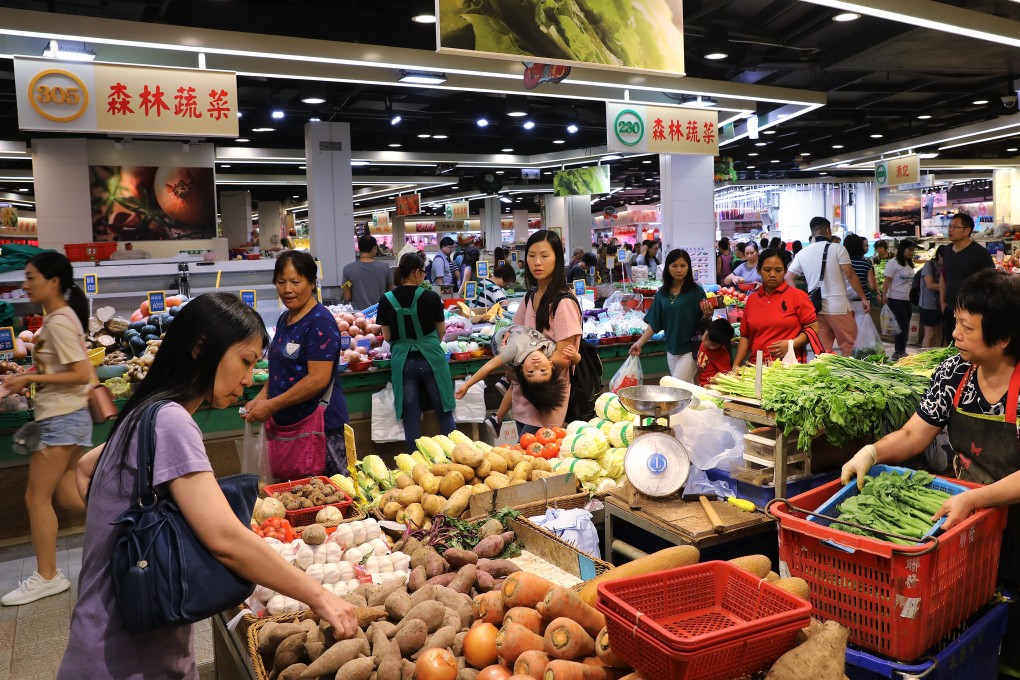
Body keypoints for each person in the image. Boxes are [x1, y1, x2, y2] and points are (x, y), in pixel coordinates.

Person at [59, 293, 357, 678]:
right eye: (245, 362)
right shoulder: (171, 421)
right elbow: (224, 539)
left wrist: (128, 538)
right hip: (128, 660)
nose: (250, 379)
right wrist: (320, 597)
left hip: (100, 641)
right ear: (202, 348)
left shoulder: (144, 413)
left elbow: (84, 469)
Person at [839, 269, 1020, 670]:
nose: (954, 334)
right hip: (965, 523)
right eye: (956, 322)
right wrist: (871, 452)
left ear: (1003, 338)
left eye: (966, 327)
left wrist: (976, 498)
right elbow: (913, 434)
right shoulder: (955, 373)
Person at [0, 252, 90, 606]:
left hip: (62, 419)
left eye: (31, 276)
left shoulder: (60, 322)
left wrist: (29, 376)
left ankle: (48, 576)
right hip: (67, 415)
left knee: (35, 497)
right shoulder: (60, 318)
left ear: (53, 282)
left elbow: (81, 373)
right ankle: (130, 522)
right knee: (69, 496)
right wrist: (26, 379)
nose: (25, 284)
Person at [244, 251, 350, 477]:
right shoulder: (285, 318)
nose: (287, 289)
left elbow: (317, 380)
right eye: (281, 282)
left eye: (295, 282)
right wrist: (261, 399)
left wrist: (272, 406)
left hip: (321, 428)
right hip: (289, 428)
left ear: (312, 283)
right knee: (295, 498)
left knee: (330, 499)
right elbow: (280, 370)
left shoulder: (319, 321)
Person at [378, 253, 456, 452]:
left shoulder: (386, 300)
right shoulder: (430, 297)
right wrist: (427, 343)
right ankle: (456, 455)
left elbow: (387, 336)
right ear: (415, 273)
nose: (424, 276)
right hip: (432, 359)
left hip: (403, 362)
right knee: (444, 409)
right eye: (422, 272)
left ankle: (415, 458)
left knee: (410, 413)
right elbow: (442, 330)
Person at [511, 230, 582, 435]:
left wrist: (526, 360)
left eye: (544, 255)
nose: (537, 262)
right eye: (532, 256)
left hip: (548, 399)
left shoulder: (563, 302)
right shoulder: (530, 297)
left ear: (557, 259)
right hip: (523, 396)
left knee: (539, 460)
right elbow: (515, 335)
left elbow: (564, 356)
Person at [787, 217, 870, 356]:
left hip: (816, 309)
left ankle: (826, 376)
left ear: (812, 231)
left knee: (823, 351)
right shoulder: (838, 249)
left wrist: (800, 297)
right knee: (849, 346)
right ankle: (848, 376)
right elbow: (850, 274)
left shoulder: (802, 253)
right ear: (827, 230)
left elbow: (787, 277)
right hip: (839, 308)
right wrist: (863, 298)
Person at [454, 324, 578, 416]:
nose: (536, 367)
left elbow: (490, 366)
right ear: (551, 364)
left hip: (498, 340)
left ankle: (507, 378)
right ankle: (506, 380)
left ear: (522, 369)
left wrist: (467, 385)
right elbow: (572, 362)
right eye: (543, 371)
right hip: (515, 331)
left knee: (508, 361)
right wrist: (575, 357)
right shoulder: (550, 350)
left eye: (531, 373)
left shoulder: (515, 350)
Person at [630, 249, 712, 382]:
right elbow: (655, 322)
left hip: (690, 349)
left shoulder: (697, 292)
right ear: (667, 268)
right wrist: (639, 343)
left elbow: (705, 322)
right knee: (685, 392)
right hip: (671, 349)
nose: (679, 270)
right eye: (674, 266)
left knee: (674, 388)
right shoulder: (662, 293)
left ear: (688, 268)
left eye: (683, 266)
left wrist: (708, 315)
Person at [734, 248, 820, 366]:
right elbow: (745, 336)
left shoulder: (798, 297)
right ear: (758, 271)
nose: (773, 274)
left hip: (789, 367)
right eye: (767, 270)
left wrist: (791, 344)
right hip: (756, 367)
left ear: (785, 271)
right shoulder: (752, 300)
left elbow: (813, 329)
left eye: (778, 270)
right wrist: (736, 364)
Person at [940, 212, 994, 342]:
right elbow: (944, 276)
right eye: (949, 226)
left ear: (967, 230)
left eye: (954, 227)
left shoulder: (980, 253)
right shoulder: (947, 250)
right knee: (951, 345)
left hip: (971, 310)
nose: (950, 230)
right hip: (951, 308)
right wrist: (943, 301)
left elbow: (992, 280)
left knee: (968, 345)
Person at [882, 239, 918, 361]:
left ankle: (902, 350)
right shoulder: (893, 263)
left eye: (913, 250)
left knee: (905, 325)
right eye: (909, 250)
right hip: (894, 298)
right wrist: (884, 295)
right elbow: (887, 281)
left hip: (906, 299)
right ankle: (898, 351)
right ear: (903, 249)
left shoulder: (908, 264)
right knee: (902, 324)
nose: (911, 252)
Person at [341, 235, 393, 310]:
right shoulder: (384, 267)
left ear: (359, 248)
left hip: (359, 316)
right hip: (380, 314)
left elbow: (347, 296)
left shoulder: (348, 269)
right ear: (374, 248)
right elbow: (390, 294)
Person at [844, 234, 879, 317]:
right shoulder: (866, 263)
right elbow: (872, 286)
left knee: (848, 328)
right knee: (862, 327)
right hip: (863, 301)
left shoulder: (843, 264)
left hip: (845, 300)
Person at [919, 246, 945, 348]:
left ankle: (938, 358)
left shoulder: (946, 267)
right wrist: (946, 289)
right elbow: (929, 285)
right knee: (930, 333)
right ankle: (925, 358)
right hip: (928, 305)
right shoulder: (929, 265)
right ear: (939, 256)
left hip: (940, 304)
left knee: (940, 332)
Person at [697, 318, 734, 386]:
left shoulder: (722, 356)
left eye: (713, 345)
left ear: (721, 345)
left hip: (711, 389)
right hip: (701, 384)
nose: (706, 344)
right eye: (706, 337)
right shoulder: (706, 340)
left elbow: (726, 377)